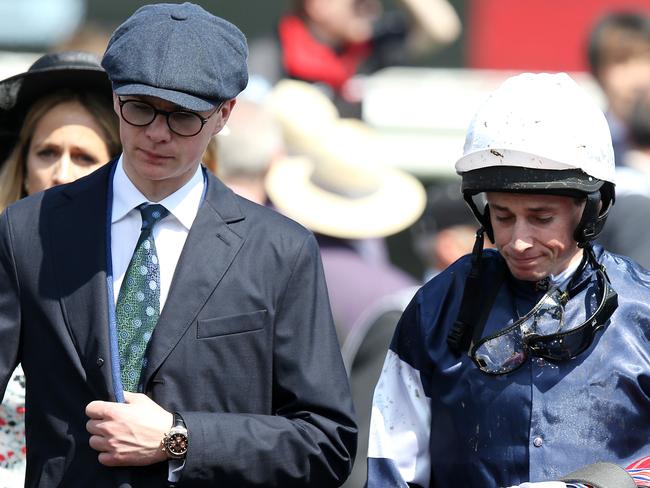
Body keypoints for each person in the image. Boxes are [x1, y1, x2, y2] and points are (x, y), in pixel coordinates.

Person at [0, 3, 356, 487]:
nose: (157, 133)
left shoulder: (279, 251)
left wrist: (178, 437)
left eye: (183, 117)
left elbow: (327, 443)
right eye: (140, 108)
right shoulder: (28, 229)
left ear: (224, 115)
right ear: (115, 96)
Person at [367, 72, 650, 487]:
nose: (518, 241)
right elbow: (390, 469)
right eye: (502, 216)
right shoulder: (435, 309)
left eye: (541, 218)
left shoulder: (641, 310)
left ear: (588, 210)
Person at [0, 50, 120, 488]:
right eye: (47, 152)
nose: (61, 173)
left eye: (84, 157)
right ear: (23, 164)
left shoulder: (134, 277)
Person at [248, 0, 461, 117]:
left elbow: (442, 28)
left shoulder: (373, 49)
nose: (373, 9)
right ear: (317, 4)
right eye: (360, 3)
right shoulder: (268, 60)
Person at [587, 11, 650, 165]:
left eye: (646, 59)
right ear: (598, 72)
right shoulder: (586, 144)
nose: (639, 77)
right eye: (622, 61)